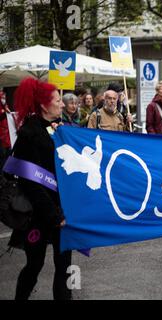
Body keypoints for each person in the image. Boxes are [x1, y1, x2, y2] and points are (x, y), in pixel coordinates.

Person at [10, 78, 71, 300]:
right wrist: (54, 216)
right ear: (45, 105)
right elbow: (31, 182)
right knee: (34, 265)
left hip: (61, 211)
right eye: (58, 100)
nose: (62, 104)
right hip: (39, 215)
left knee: (64, 266)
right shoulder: (29, 134)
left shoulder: (55, 129)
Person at [0, 90, 12, 166]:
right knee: (2, 155)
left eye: (4, 97)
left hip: (8, 134)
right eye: (2, 97)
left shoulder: (6, 105)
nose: (3, 98)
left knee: (8, 154)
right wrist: (4, 112)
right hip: (2, 135)